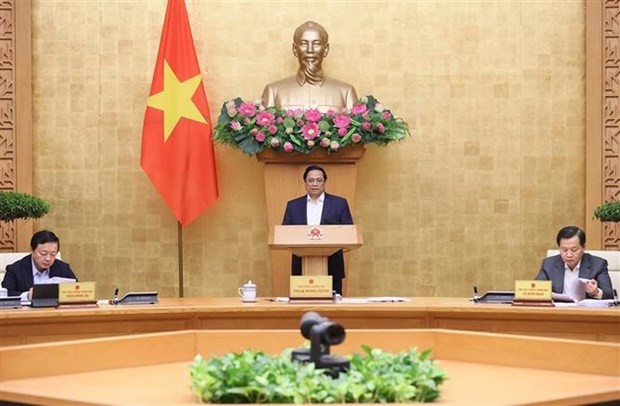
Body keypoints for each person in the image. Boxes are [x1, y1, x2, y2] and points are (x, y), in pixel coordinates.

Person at [282, 165, 353, 294]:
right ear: (305, 183)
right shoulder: (293, 206)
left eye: (319, 180)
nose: (315, 184)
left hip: (333, 265)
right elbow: (285, 234)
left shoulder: (339, 204)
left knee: (333, 308)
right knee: (302, 306)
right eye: (311, 180)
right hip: (301, 265)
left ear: (324, 182)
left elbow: (349, 231)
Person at [261, 21, 358, 112]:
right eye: (304, 43)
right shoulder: (273, 92)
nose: (310, 50)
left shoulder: (346, 92)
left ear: (325, 49)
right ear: (295, 49)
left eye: (316, 44)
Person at [535, 225, 613, 299]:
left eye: (574, 250)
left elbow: (609, 295)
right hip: (557, 311)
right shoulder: (548, 264)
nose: (569, 255)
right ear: (559, 248)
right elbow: (536, 290)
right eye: (564, 250)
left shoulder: (598, 264)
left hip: (584, 311)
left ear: (584, 247)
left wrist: (595, 292)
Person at [1, 230, 77, 300]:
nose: (48, 258)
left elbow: (76, 290)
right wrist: (27, 295)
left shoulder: (63, 268)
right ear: (31, 250)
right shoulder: (15, 270)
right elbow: (6, 294)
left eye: (53, 254)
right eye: (43, 254)